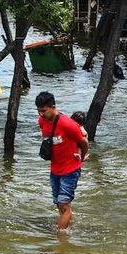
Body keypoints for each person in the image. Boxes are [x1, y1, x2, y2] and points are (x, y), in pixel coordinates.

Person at [36, 92, 88, 232]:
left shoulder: (68, 124)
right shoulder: (42, 121)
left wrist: (81, 158)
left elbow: (83, 142)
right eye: (39, 110)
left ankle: (61, 239)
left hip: (70, 169)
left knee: (63, 204)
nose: (41, 114)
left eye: (44, 111)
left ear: (53, 107)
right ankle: (70, 224)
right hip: (55, 169)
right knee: (60, 205)